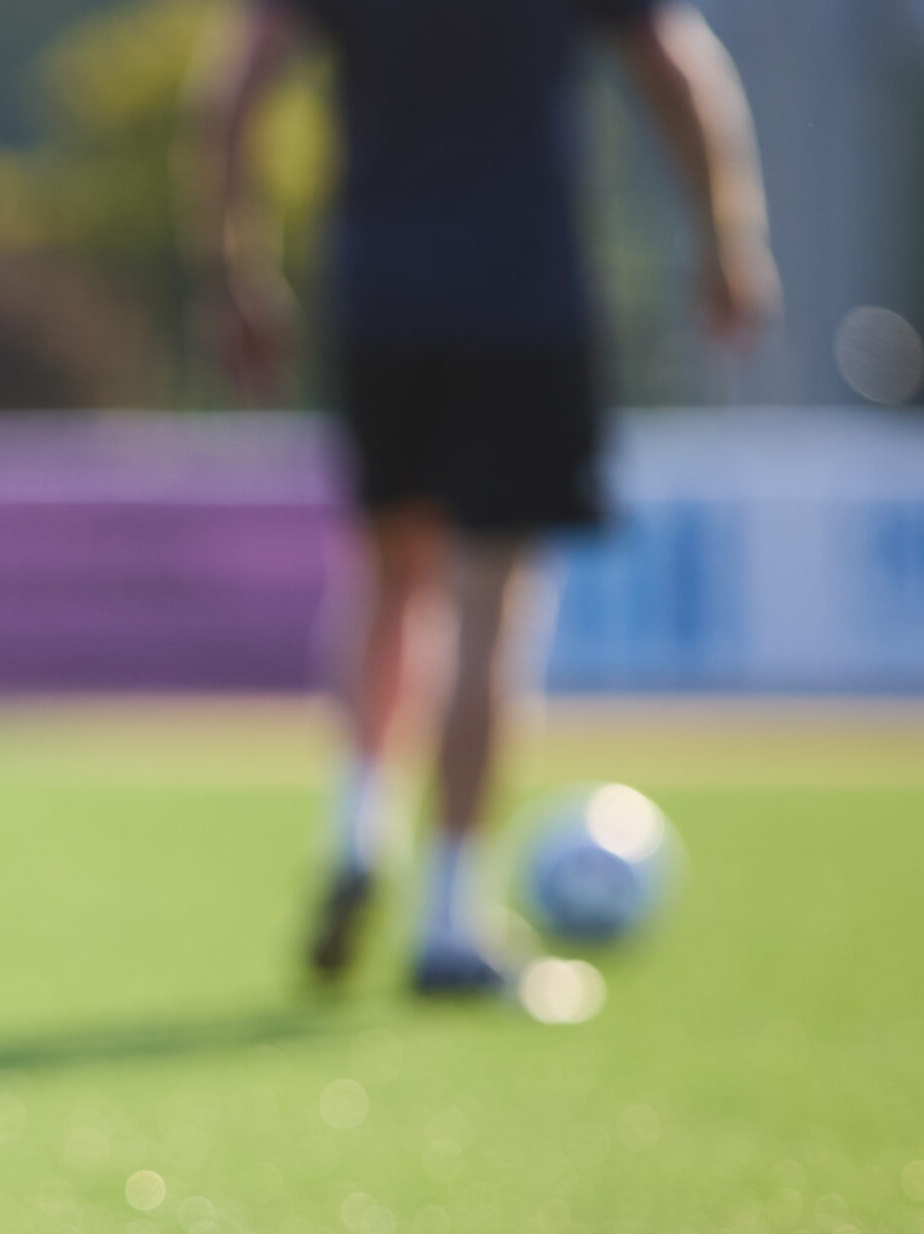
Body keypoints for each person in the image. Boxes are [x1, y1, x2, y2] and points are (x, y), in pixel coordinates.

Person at [193, 0, 776, 992]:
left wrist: (236, 271)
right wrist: (726, 233)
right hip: (520, 296)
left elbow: (232, 91)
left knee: (387, 577)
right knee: (488, 606)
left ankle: (357, 830)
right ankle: (452, 916)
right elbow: (677, 68)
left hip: (378, 294)